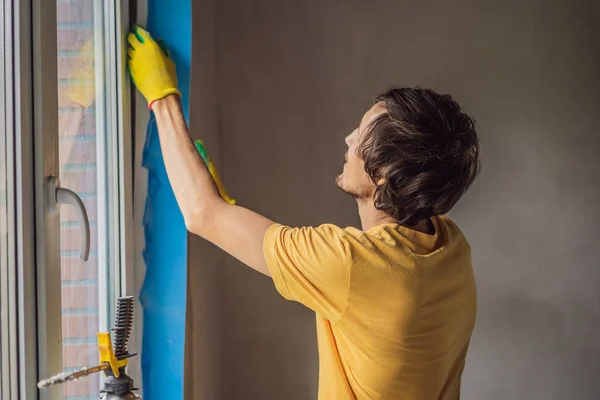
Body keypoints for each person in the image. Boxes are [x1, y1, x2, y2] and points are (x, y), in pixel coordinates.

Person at [127, 24, 481, 400]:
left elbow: (201, 213)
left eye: (360, 136)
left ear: (384, 175)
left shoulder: (351, 265)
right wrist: (229, 211)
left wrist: (163, 98)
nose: (348, 139)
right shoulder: (449, 247)